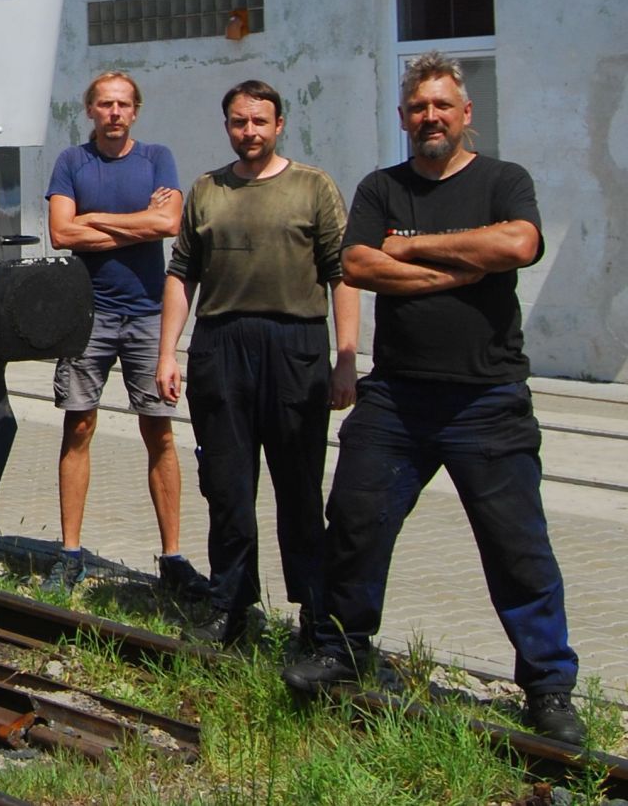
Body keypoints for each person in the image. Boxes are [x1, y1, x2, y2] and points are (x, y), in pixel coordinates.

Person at [284, 54, 582, 745]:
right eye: (419, 107)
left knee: (517, 546)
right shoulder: (381, 187)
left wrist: (416, 250)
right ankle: (340, 647)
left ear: (465, 112)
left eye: (443, 106)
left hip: (488, 397)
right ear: (403, 116)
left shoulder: (504, 180)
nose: (431, 117)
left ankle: (548, 684)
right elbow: (358, 262)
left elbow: (520, 240)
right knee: (354, 519)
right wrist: (454, 269)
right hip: (397, 399)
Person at [156, 79, 359, 646]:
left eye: (260, 122)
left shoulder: (313, 188)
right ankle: (231, 606)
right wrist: (168, 352)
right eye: (239, 123)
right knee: (226, 486)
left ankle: (316, 615)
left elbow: (343, 275)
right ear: (228, 127)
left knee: (298, 489)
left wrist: (346, 359)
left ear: (279, 125)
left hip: (295, 345)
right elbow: (182, 274)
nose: (250, 132)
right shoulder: (207, 189)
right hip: (221, 345)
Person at [42, 71, 205, 599]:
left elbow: (169, 225)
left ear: (135, 111)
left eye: (123, 104)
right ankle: (70, 552)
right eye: (105, 104)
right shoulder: (72, 162)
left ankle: (174, 557)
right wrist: (139, 220)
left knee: (159, 432)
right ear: (89, 110)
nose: (114, 112)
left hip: (147, 317)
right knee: (79, 428)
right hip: (87, 315)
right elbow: (62, 233)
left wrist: (99, 220)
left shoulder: (157, 157)